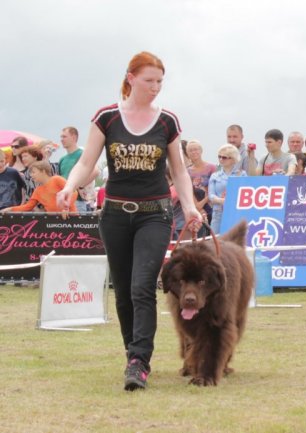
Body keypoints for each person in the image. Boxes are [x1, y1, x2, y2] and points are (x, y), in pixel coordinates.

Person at [56, 51, 202, 391]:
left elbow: (179, 171)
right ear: (131, 78)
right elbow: (87, 162)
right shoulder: (106, 117)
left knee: (141, 288)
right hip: (115, 215)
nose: (155, 87)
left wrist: (191, 206)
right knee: (122, 290)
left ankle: (140, 361)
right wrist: (68, 186)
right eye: (149, 81)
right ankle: (131, 353)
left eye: (160, 82)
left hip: (155, 213)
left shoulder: (167, 121)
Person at [3, 161, 76, 214]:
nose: (31, 175)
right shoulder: (38, 190)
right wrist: (10, 209)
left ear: (43, 171)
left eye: (33, 172)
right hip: (53, 222)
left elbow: (74, 192)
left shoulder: (56, 179)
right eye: (30, 173)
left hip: (71, 218)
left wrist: (66, 209)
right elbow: (28, 206)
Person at [208, 144, 247, 234]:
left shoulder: (242, 174)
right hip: (218, 213)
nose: (221, 159)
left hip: (236, 213)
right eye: (219, 156)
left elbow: (245, 192)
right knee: (215, 241)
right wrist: (222, 201)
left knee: (235, 239)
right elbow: (211, 195)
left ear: (233, 159)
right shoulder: (215, 175)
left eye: (224, 157)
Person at [59, 126, 99, 212]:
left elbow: (95, 171)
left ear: (74, 137)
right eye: (61, 137)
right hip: (66, 202)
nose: (61, 139)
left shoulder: (82, 154)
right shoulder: (62, 159)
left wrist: (80, 185)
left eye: (64, 136)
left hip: (79, 201)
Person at [186, 140, 216, 224]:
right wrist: (197, 206)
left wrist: (201, 204)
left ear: (201, 151)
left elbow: (215, 188)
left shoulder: (211, 167)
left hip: (210, 204)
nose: (194, 152)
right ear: (187, 153)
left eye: (196, 149)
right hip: (195, 206)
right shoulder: (187, 171)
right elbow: (189, 190)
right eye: (190, 150)